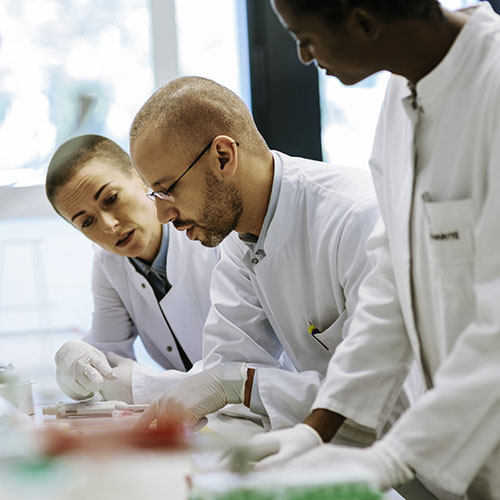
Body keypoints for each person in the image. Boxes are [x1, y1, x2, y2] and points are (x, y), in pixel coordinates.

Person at [247, 1, 500, 498]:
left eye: (307, 37)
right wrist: (316, 429)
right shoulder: (403, 94)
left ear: (364, 22)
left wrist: (394, 457)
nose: (302, 56)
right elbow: (394, 276)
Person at [128, 76, 416, 446]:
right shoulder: (240, 241)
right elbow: (225, 375)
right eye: (154, 194)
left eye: (168, 190)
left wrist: (244, 385)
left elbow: (390, 403)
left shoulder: (356, 219)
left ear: (223, 157)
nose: (162, 215)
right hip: (347, 457)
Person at [46, 135, 218, 404]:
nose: (108, 225)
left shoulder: (212, 234)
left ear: (140, 176)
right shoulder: (108, 262)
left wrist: (145, 385)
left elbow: (241, 372)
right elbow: (107, 360)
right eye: (86, 221)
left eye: (111, 198)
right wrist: (75, 371)